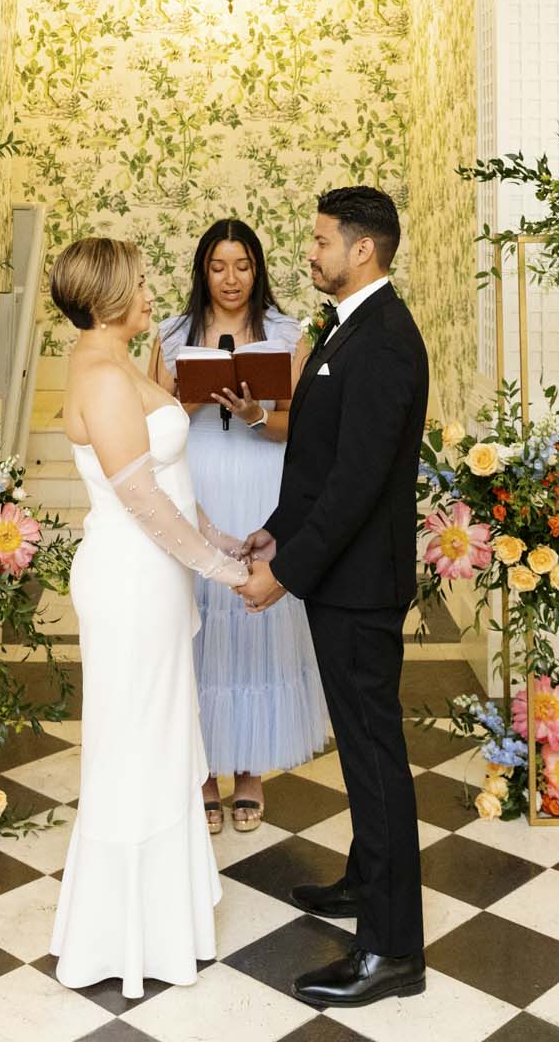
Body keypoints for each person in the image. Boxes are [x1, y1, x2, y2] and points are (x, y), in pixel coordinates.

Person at [240, 186, 430, 1010]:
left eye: (320, 241)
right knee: (361, 750)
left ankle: (392, 952)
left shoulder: (384, 339)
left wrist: (286, 573)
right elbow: (317, 465)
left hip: (359, 587)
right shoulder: (347, 328)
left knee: (376, 759)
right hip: (339, 577)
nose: (308, 252)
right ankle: (365, 881)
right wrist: (275, 532)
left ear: (362, 249)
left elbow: (356, 486)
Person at [48, 235, 250, 1000]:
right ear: (106, 296)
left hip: (155, 575)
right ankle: (122, 939)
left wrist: (223, 536)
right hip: (130, 578)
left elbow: (171, 477)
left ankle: (167, 926)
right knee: (134, 745)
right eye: (137, 283)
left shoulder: (121, 361)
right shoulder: (100, 374)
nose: (149, 291)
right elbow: (138, 497)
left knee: (161, 737)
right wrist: (222, 568)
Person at [148, 219, 327, 834]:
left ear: (258, 269)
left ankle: (249, 768)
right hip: (196, 485)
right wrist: (189, 403)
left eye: (243, 265)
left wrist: (254, 414)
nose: (231, 279)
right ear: (203, 269)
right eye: (219, 266)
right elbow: (146, 428)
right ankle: (201, 770)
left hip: (261, 482)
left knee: (256, 614)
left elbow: (295, 427)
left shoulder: (285, 333)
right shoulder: (172, 336)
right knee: (195, 619)